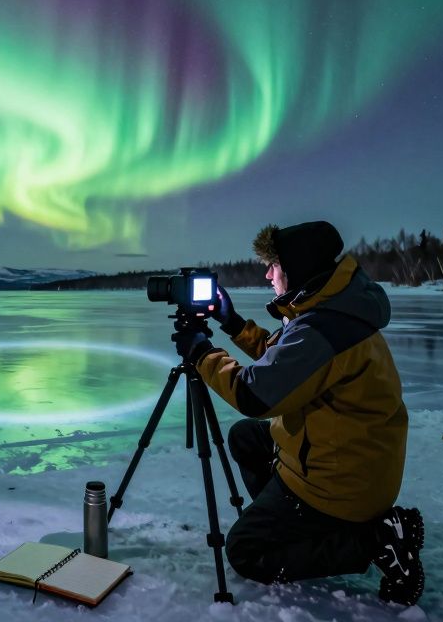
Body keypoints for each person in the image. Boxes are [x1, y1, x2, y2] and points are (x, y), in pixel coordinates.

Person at [172, 220, 425, 605]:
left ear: (297, 267)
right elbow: (285, 364)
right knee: (244, 438)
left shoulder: (323, 326)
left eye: (273, 265)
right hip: (348, 456)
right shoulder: (331, 307)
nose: (267, 273)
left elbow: (256, 395)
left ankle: (373, 542)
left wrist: (201, 353)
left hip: (340, 482)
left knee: (244, 552)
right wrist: (233, 323)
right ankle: (292, 525)